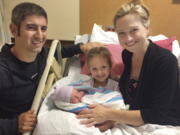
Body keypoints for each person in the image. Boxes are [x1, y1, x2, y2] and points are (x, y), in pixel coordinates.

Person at [77, 0, 180, 132]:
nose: (128, 39)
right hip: (134, 118)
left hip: (166, 124)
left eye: (134, 30)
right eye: (121, 33)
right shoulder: (127, 54)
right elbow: (134, 96)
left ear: (147, 28)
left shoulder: (166, 61)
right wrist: (113, 119)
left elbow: (157, 114)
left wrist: (110, 114)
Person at [0, 2, 102, 135]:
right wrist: (13, 125)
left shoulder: (41, 53)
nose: (39, 35)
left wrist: (81, 47)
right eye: (31, 28)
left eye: (43, 28)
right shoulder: (3, 71)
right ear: (14, 30)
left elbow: (60, 51)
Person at [52, 85, 125, 113]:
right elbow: (85, 110)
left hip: (112, 97)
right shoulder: (77, 106)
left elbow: (92, 90)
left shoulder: (81, 93)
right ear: (68, 103)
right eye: (74, 98)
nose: (78, 96)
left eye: (77, 92)